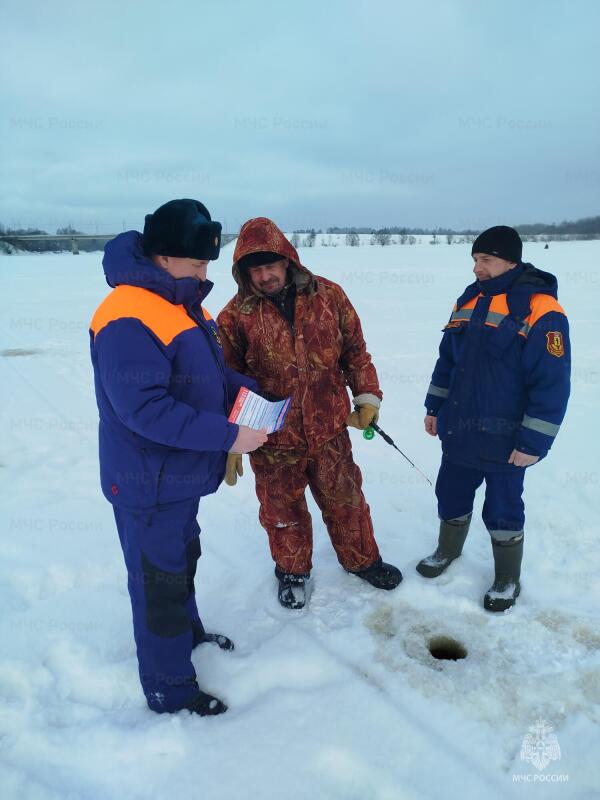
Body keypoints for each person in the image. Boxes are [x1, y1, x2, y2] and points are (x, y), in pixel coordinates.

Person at [89, 199, 267, 715]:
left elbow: (204, 374)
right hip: (146, 483)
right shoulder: (127, 315)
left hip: (178, 479)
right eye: (197, 263)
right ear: (163, 257)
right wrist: (229, 436)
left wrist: (251, 393)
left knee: (182, 561)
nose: (205, 274)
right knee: (158, 586)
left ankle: (188, 637)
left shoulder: (181, 302)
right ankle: (169, 689)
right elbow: (145, 410)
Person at [217, 217, 402, 610]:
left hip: (330, 428)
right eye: (255, 270)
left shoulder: (329, 296)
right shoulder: (234, 316)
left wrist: (367, 397)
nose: (264, 276)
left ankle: (362, 560)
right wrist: (231, 436)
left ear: (288, 260)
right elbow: (225, 381)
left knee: (346, 501)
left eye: (271, 266)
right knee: (282, 511)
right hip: (271, 438)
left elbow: (356, 352)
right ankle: (292, 572)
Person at [418, 226, 570, 611]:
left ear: (510, 261)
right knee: (450, 494)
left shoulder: (542, 309)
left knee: (503, 509)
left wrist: (533, 442)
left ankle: (507, 578)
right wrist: (434, 407)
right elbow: (447, 361)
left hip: (507, 441)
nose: (477, 268)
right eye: (475, 259)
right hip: (459, 430)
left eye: (485, 259)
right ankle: (447, 549)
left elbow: (551, 384)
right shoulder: (469, 299)